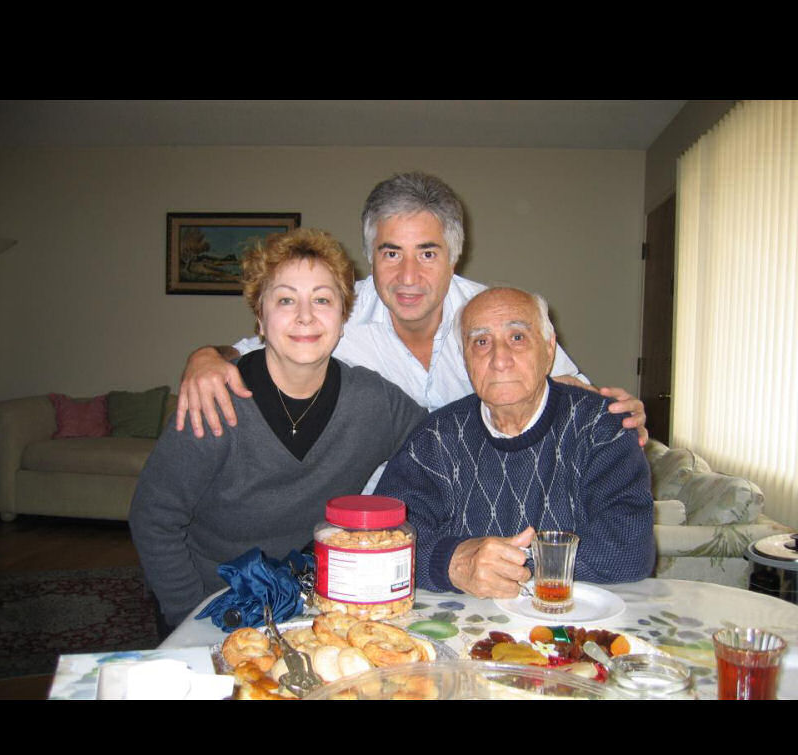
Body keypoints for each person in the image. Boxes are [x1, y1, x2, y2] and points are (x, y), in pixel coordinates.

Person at [176, 172, 648, 445]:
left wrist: (616, 413)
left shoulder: (496, 318)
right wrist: (205, 358)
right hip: (369, 516)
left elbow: (570, 392)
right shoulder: (334, 316)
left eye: (426, 253)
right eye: (391, 252)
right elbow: (249, 352)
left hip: (480, 516)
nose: (407, 276)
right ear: (370, 256)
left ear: (454, 256)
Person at [129, 229, 427, 627]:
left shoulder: (374, 403)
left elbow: (441, 447)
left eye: (322, 299)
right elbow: (153, 518)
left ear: (343, 317)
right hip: (213, 603)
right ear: (260, 318)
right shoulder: (215, 400)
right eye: (286, 300)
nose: (305, 315)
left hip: (310, 602)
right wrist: (189, 617)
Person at [374, 287, 655, 598]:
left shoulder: (602, 426)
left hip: (573, 617)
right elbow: (384, 536)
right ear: (465, 359)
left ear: (549, 349)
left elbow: (629, 550)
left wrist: (501, 564)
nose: (500, 359)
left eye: (517, 337)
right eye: (481, 342)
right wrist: (452, 562)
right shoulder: (436, 437)